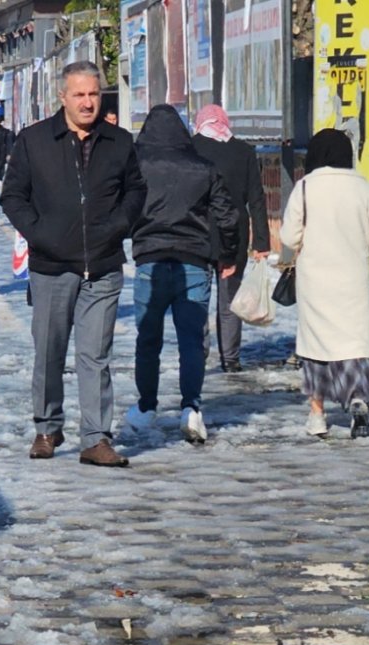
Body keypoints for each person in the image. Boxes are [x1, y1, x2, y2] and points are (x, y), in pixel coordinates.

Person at [0, 61, 147, 467]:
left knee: (95, 355)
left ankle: (96, 438)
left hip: (103, 264)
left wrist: (119, 225)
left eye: (94, 94)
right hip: (51, 267)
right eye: (79, 94)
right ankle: (47, 427)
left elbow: (136, 190)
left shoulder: (118, 141)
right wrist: (41, 235)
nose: (87, 102)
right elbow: (12, 197)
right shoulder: (34, 141)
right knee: (49, 351)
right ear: (62, 97)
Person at [125, 104, 239, 444]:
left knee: (148, 341)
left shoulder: (136, 166)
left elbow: (116, 206)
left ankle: (146, 407)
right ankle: (191, 408)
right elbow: (228, 216)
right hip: (194, 261)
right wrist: (227, 254)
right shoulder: (203, 167)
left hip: (150, 262)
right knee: (192, 342)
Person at [278, 129, 369, 438]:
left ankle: (317, 415)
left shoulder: (305, 187)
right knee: (353, 344)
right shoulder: (363, 188)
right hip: (353, 278)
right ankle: (357, 397)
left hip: (315, 281)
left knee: (316, 347)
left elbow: (289, 237)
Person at [191, 104, 270, 373]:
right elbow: (256, 199)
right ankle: (232, 359)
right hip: (233, 234)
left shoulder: (191, 148)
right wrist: (261, 242)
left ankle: (197, 355)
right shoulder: (243, 151)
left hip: (198, 232)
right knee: (230, 300)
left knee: (197, 298)